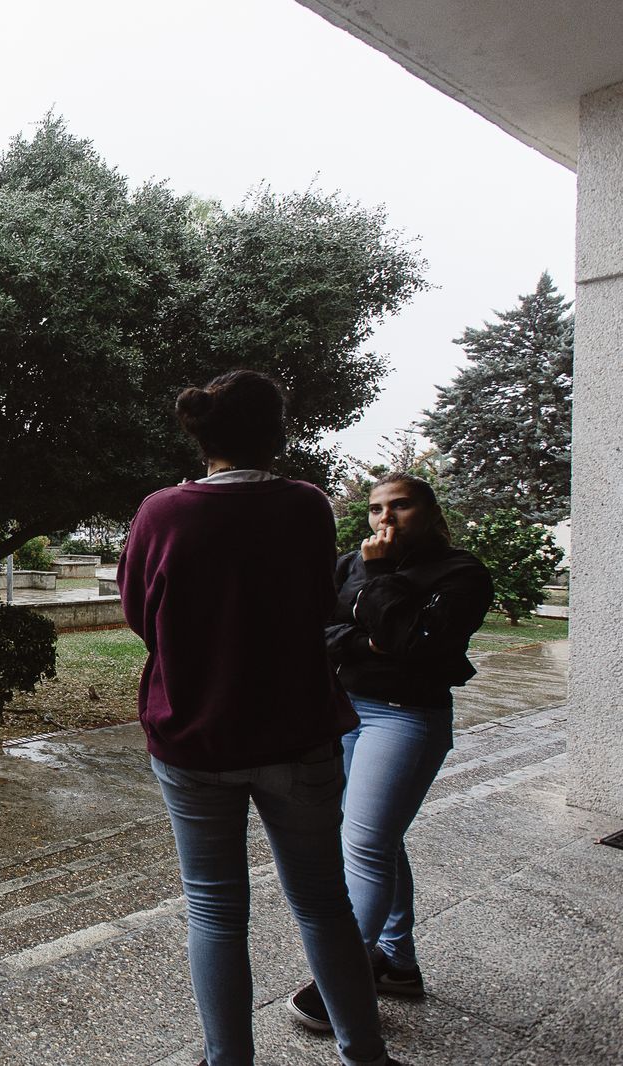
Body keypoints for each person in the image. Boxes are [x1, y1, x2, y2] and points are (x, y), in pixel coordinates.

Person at [119, 369, 399, 1066]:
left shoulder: (160, 512)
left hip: (192, 738)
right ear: (277, 435)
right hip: (297, 735)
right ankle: (364, 1051)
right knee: (324, 903)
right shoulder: (307, 506)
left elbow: (139, 615)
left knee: (215, 909)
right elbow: (315, 598)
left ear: (202, 434)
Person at [287, 473, 492, 1031]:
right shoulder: (351, 563)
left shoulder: (460, 573)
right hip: (346, 709)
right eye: (377, 508)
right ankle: (396, 962)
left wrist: (380, 580)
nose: (385, 518)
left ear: (429, 512)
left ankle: (340, 978)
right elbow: (315, 629)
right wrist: (364, 639)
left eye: (400, 506)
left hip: (405, 716)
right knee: (374, 836)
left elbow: (420, 641)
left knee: (366, 843)